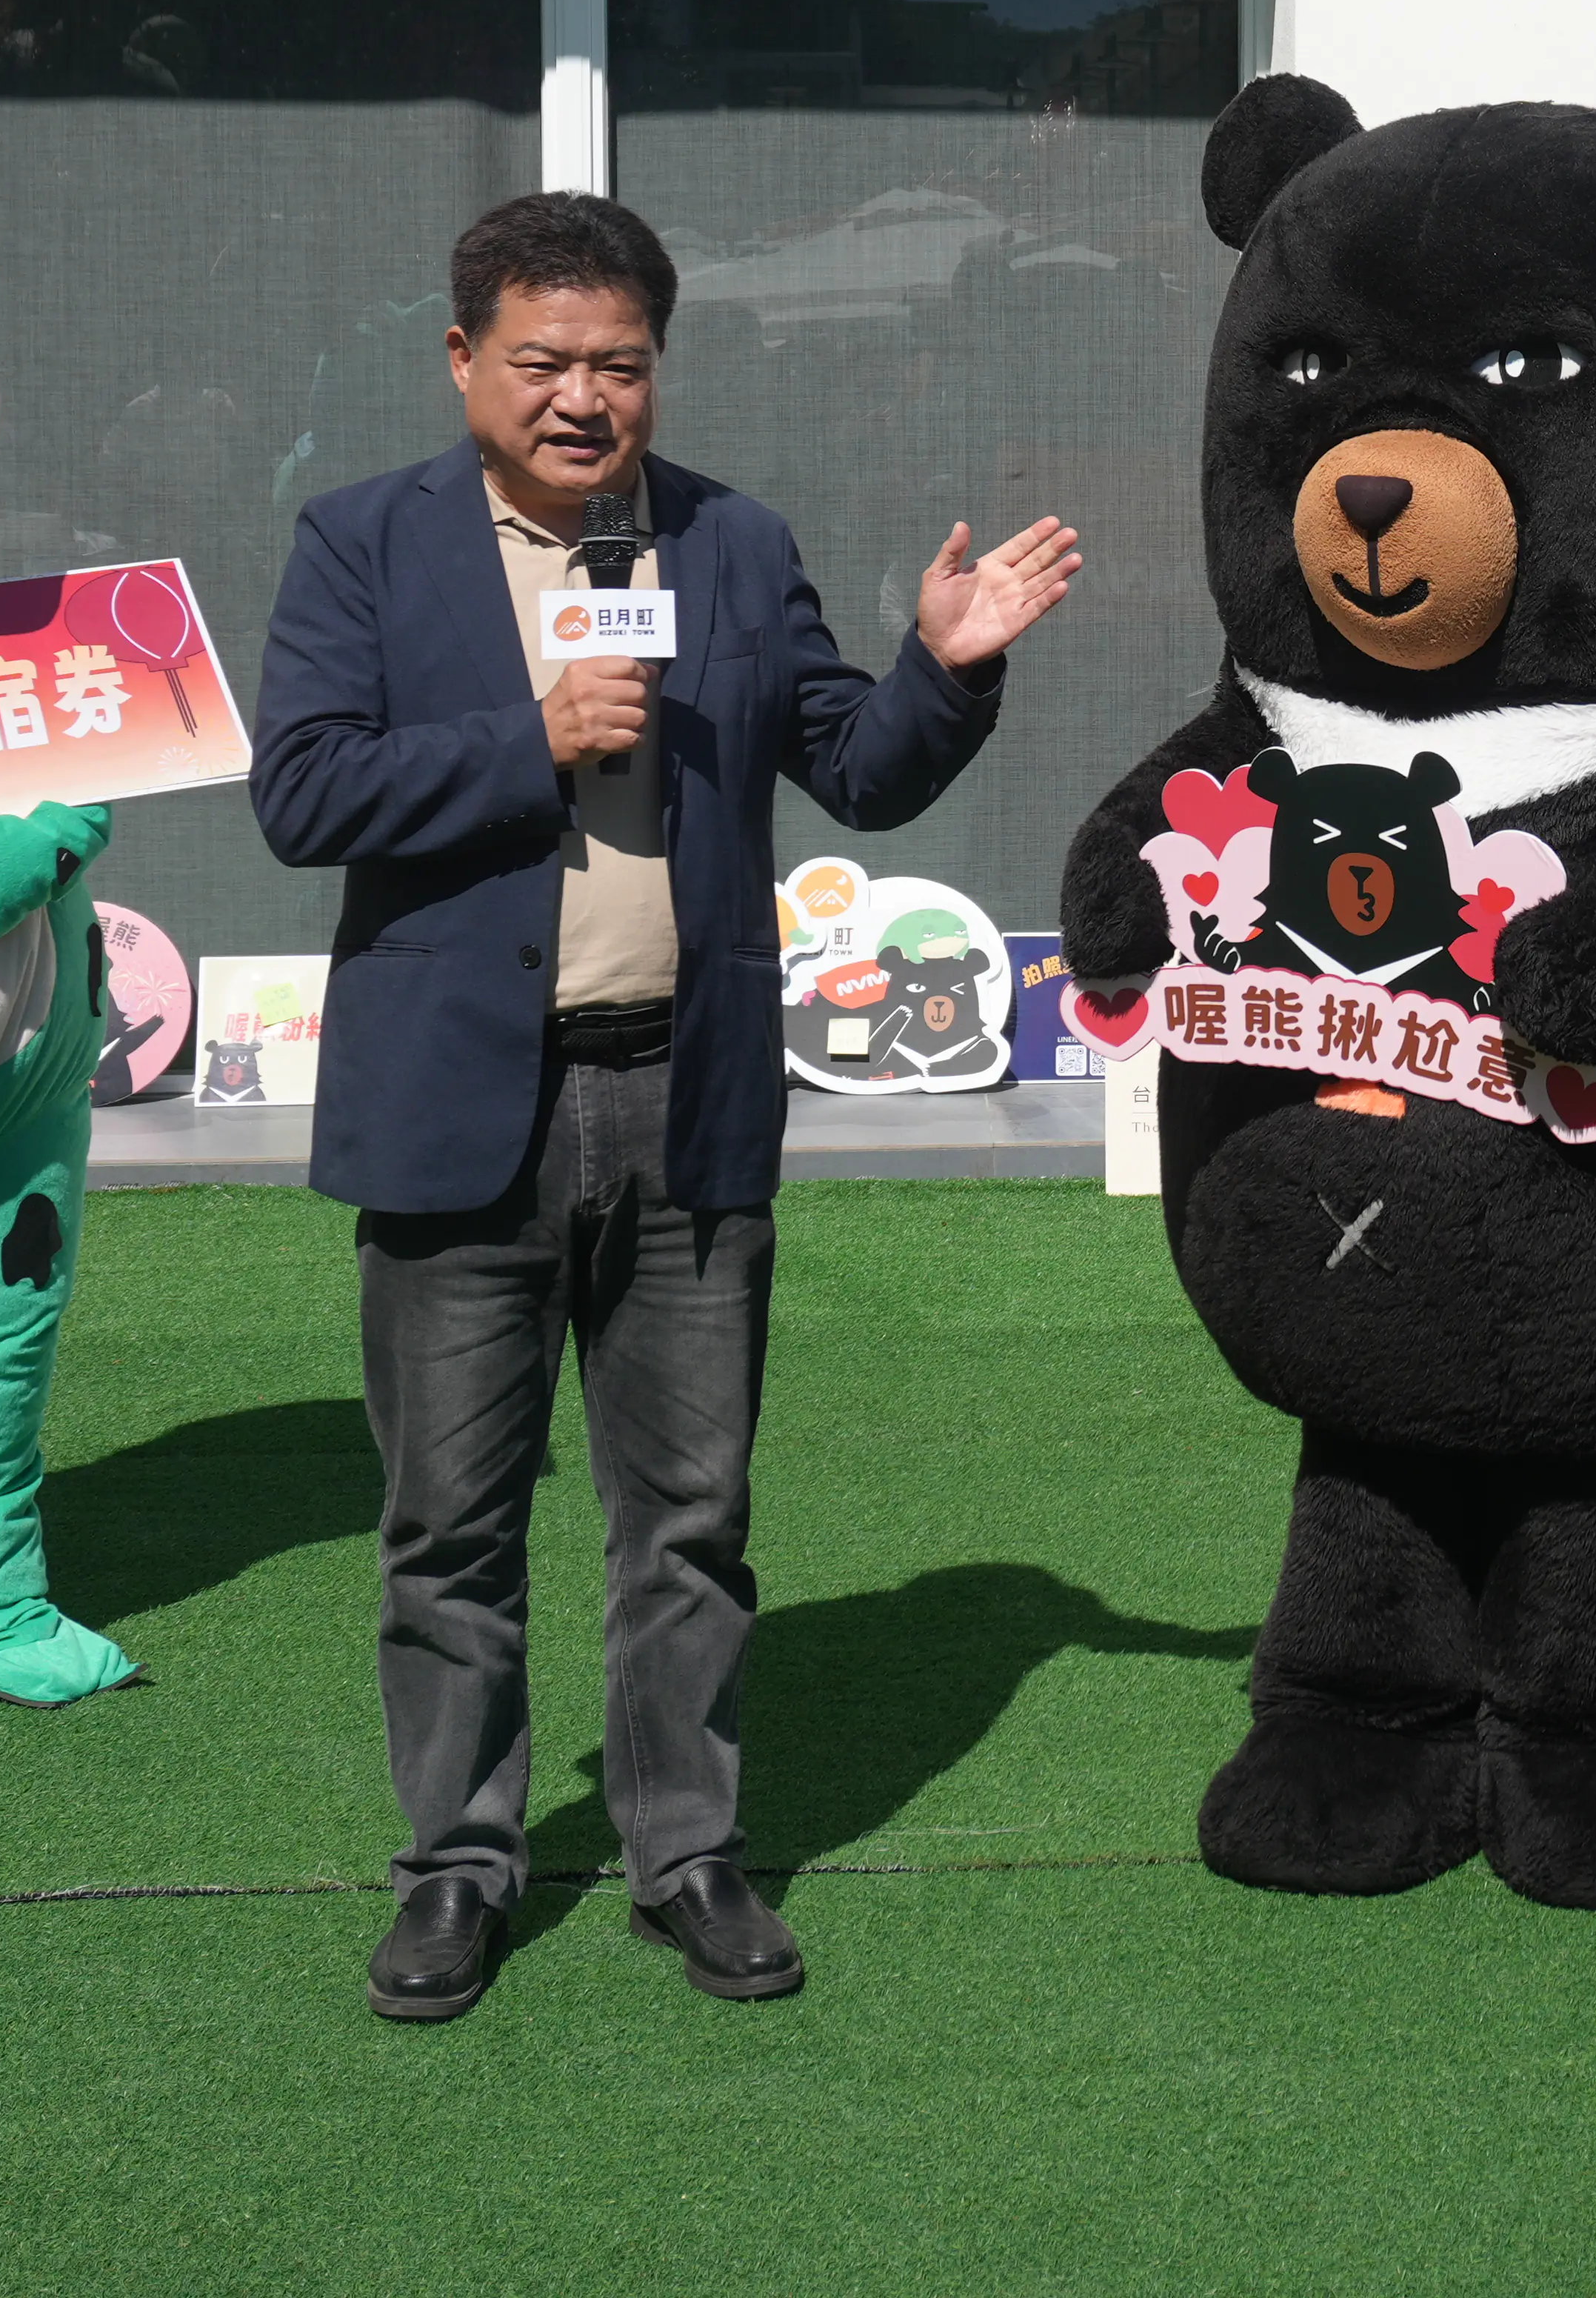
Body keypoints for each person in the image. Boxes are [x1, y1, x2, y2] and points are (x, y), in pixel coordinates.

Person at [251, 192, 1078, 2021]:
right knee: (449, 1529)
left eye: (617, 365)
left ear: (658, 371)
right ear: (462, 359)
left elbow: (855, 770)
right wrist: (525, 739)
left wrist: (947, 659)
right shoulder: (364, 545)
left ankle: (683, 1853)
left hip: (684, 1103)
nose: (580, 400)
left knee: (688, 1519)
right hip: (466, 1114)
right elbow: (301, 794)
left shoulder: (729, 543)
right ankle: (457, 1869)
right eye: (540, 362)